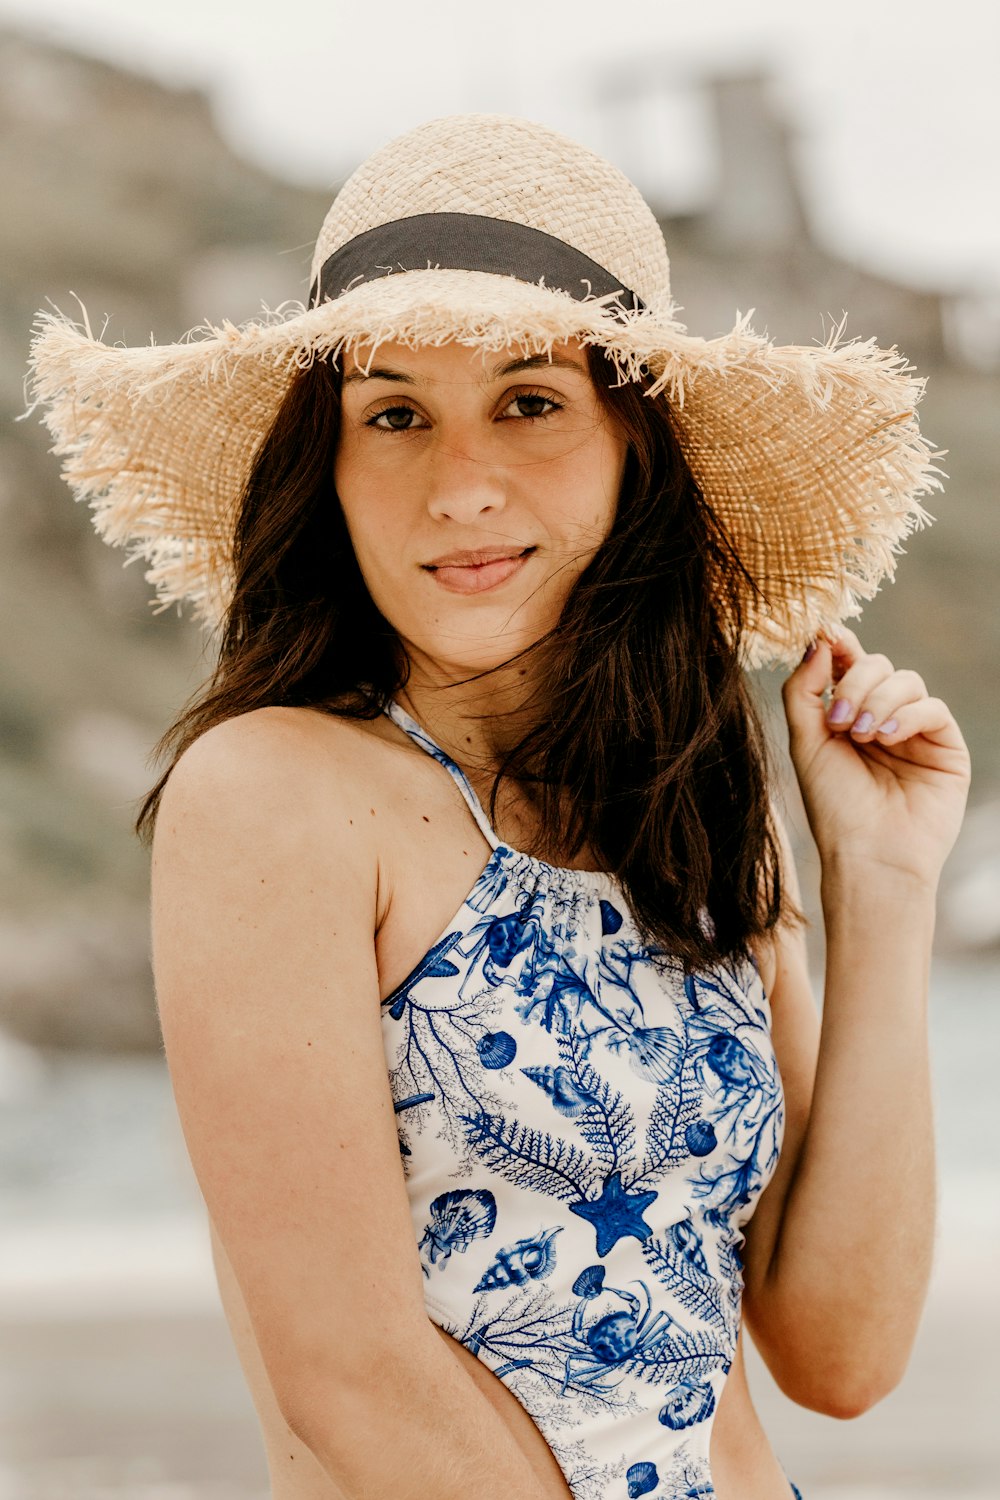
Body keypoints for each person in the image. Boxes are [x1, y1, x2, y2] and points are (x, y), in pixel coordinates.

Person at [28, 114, 970, 1500]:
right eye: (393, 414)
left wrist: (884, 893)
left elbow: (843, 1352)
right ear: (328, 469)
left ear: (633, 446)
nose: (460, 486)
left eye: (530, 402)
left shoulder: (692, 813)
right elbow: (351, 1378)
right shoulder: (276, 794)